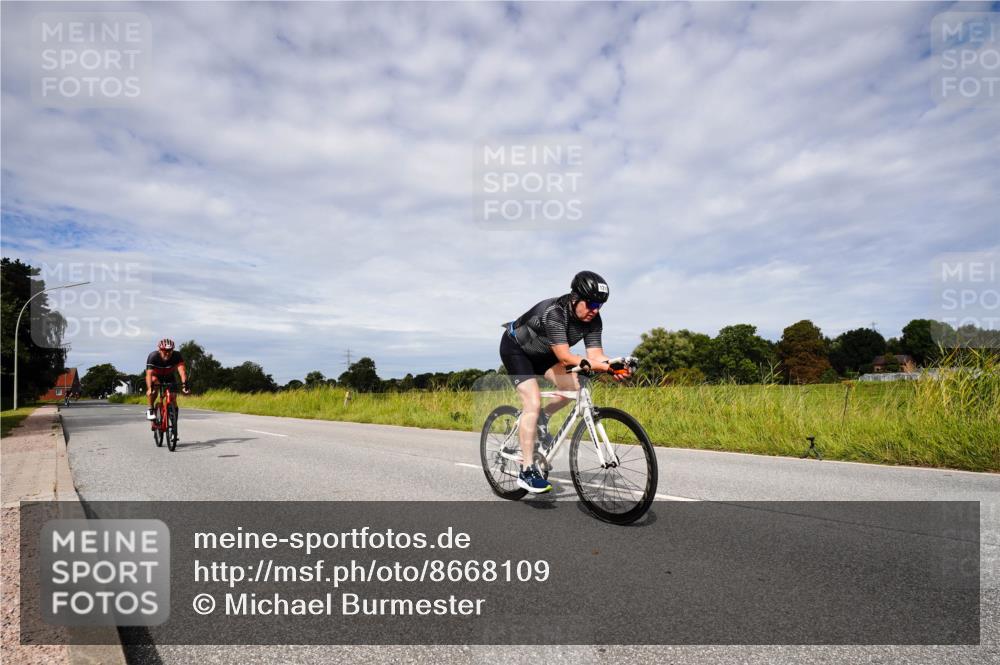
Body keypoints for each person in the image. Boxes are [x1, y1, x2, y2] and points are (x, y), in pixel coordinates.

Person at [500, 271, 632, 493]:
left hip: (545, 354)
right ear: (575, 298)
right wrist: (603, 366)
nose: (595, 310)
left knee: (573, 387)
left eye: (600, 305)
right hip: (517, 350)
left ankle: (544, 417)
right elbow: (565, 357)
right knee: (532, 402)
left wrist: (615, 365)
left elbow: (597, 355)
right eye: (590, 304)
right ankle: (526, 470)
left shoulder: (593, 319)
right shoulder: (556, 313)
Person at [145, 338, 190, 420]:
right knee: (154, 387)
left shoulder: (177, 356)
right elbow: (149, 374)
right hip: (156, 377)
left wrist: (184, 386)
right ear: (159, 350)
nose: (168, 353)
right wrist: (149, 388)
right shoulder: (153, 356)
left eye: (170, 350)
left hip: (169, 377)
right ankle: (150, 409)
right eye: (165, 350)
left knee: (172, 397)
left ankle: (173, 420)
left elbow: (182, 371)